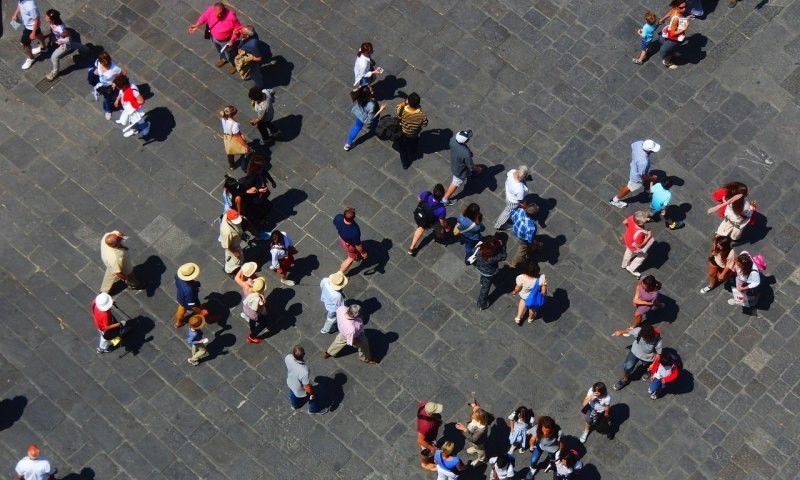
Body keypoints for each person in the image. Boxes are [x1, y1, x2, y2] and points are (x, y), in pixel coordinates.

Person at [188, 2, 242, 73]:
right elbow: (204, 16)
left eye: (220, 14)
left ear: (224, 11)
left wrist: (232, 40)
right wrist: (197, 24)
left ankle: (233, 64)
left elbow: (238, 28)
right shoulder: (211, 10)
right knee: (219, 50)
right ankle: (224, 59)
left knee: (229, 54)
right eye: (216, 14)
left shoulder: (231, 17)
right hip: (214, 37)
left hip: (226, 41)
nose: (217, 16)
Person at [609, 139, 661, 208]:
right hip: (636, 177)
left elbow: (632, 146)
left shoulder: (639, 143)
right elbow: (642, 176)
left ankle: (648, 190)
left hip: (635, 165)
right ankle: (614, 201)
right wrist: (652, 178)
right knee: (629, 187)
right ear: (649, 150)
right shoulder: (643, 162)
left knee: (646, 180)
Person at [611, 324, 663, 391]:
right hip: (635, 351)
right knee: (627, 366)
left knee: (646, 365)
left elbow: (658, 355)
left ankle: (648, 371)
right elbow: (629, 331)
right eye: (642, 336)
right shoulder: (639, 331)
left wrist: (653, 365)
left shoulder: (657, 340)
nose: (643, 338)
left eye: (644, 337)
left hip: (648, 357)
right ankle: (625, 379)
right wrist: (621, 332)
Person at [44, 9, 89, 81]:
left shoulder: (61, 29)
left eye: (47, 16)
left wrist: (61, 41)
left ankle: (54, 72)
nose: (45, 16)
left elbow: (69, 37)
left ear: (52, 19)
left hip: (65, 43)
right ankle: (86, 49)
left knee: (54, 57)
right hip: (62, 40)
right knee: (74, 45)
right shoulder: (53, 23)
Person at [441, 130, 483, 206]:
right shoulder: (465, 153)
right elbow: (470, 165)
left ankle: (469, 174)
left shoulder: (453, 139)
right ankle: (445, 199)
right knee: (456, 182)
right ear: (465, 141)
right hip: (459, 171)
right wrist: (478, 169)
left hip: (455, 162)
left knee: (465, 172)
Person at [285, 345, 329, 415]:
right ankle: (313, 410)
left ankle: (295, 405)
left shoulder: (288, 357)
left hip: (290, 382)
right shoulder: (304, 371)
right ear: (303, 355)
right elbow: (306, 387)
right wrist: (312, 394)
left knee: (293, 392)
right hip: (299, 388)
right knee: (314, 397)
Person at [408, 184, 450, 256]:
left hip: (420, 217)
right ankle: (440, 238)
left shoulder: (426, 194)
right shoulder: (441, 209)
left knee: (421, 228)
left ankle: (412, 247)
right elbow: (442, 222)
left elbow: (419, 199)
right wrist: (446, 227)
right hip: (431, 221)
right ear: (442, 196)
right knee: (439, 229)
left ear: (433, 191)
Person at [239, 155, 276, 232]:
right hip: (255, 200)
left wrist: (272, 181)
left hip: (261, 197)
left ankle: (261, 218)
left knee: (267, 206)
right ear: (256, 168)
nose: (263, 169)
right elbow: (241, 191)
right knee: (260, 210)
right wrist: (258, 190)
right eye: (262, 167)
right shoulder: (249, 180)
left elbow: (265, 172)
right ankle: (260, 221)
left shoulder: (260, 171)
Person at [344, 86, 385, 151]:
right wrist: (381, 110)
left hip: (359, 114)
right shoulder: (372, 105)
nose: (371, 88)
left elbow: (352, 92)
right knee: (375, 124)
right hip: (366, 117)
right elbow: (371, 118)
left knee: (357, 127)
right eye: (371, 90)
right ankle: (378, 130)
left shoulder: (359, 95)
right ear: (369, 94)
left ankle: (348, 144)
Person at [87, 51, 125, 120]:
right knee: (106, 98)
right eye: (103, 64)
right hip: (100, 82)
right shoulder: (98, 62)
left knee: (110, 97)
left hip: (109, 86)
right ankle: (107, 109)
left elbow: (123, 73)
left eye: (107, 65)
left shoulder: (114, 68)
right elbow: (96, 65)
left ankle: (111, 109)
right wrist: (96, 71)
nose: (106, 66)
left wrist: (115, 83)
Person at [395, 92, 428, 169]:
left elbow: (397, 107)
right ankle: (413, 151)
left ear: (408, 102)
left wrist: (404, 102)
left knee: (402, 150)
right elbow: (425, 124)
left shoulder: (402, 110)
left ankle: (405, 164)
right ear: (418, 104)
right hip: (414, 134)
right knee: (414, 143)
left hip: (402, 132)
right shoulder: (421, 115)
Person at [12, 0, 46, 71]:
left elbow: (36, 20)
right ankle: (43, 48)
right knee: (38, 33)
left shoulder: (30, 6)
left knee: (24, 44)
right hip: (29, 24)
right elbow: (20, 5)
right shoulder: (22, 0)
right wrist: (15, 14)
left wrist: (33, 33)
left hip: (30, 27)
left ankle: (30, 58)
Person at [474, 235, 507, 310]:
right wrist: (502, 247)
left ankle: (482, 281)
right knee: (485, 288)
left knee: (483, 278)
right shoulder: (494, 257)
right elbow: (504, 256)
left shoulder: (479, 248)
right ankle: (481, 304)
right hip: (488, 273)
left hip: (479, 267)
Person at [456, 400, 490, 466]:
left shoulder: (481, 429)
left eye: (474, 415)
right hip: (474, 438)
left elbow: (473, 439)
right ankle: (475, 448)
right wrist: (475, 405)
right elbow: (479, 408)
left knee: (480, 449)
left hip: (478, 441)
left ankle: (482, 459)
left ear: (479, 419)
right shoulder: (481, 415)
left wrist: (464, 429)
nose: (472, 414)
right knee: (476, 446)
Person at [333, 207, 368, 272]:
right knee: (350, 258)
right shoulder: (355, 231)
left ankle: (356, 256)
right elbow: (358, 246)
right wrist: (363, 253)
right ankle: (339, 274)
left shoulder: (338, 217)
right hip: (350, 246)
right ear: (353, 217)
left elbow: (335, 224)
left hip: (341, 239)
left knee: (353, 253)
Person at [512, 260, 547, 325]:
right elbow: (543, 292)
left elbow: (518, 288)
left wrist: (515, 292)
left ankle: (518, 317)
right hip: (533, 299)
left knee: (522, 302)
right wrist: (544, 286)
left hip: (524, 296)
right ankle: (530, 319)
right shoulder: (541, 278)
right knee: (532, 309)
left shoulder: (521, 278)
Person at [174, 263, 208, 328]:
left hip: (181, 296)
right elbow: (191, 304)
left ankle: (178, 323)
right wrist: (201, 311)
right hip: (186, 301)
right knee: (183, 308)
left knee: (181, 308)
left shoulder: (178, 275)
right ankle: (203, 318)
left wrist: (194, 284)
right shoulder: (189, 290)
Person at [620, 211, 654, 278]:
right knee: (643, 256)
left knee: (628, 252)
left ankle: (624, 264)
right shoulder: (639, 233)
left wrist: (629, 229)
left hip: (628, 239)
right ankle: (631, 268)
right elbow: (640, 245)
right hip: (634, 246)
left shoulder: (632, 218)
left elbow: (624, 222)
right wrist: (648, 237)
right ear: (641, 223)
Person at [658, 0, 690, 70]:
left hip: (668, 32)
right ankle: (667, 61)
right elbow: (672, 33)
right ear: (676, 7)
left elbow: (670, 12)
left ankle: (670, 53)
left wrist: (663, 19)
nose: (684, 9)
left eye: (685, 6)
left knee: (667, 46)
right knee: (669, 49)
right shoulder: (676, 18)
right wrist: (684, 29)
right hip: (673, 39)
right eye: (681, 8)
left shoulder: (674, 10)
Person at [220, 105, 250, 170]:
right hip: (233, 138)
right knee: (244, 151)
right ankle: (244, 166)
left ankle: (232, 166)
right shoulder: (234, 124)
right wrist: (244, 145)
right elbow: (237, 136)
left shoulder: (223, 119)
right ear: (233, 114)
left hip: (226, 138)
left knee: (230, 152)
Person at [417, 400, 444, 471]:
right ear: (430, 413)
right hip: (427, 439)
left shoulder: (425, 404)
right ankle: (425, 464)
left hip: (431, 434)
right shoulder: (425, 426)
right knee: (425, 452)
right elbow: (420, 440)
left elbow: (422, 402)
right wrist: (432, 448)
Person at [241, 277, 266, 344]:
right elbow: (259, 310)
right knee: (264, 323)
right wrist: (263, 301)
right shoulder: (258, 299)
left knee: (252, 320)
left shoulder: (248, 288)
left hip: (246, 309)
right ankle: (251, 337)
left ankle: (252, 329)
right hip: (253, 314)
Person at [219, 208, 243, 275]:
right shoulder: (226, 232)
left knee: (232, 257)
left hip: (234, 241)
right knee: (236, 260)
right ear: (229, 220)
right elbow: (227, 246)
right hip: (233, 246)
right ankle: (229, 270)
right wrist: (235, 252)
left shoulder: (228, 214)